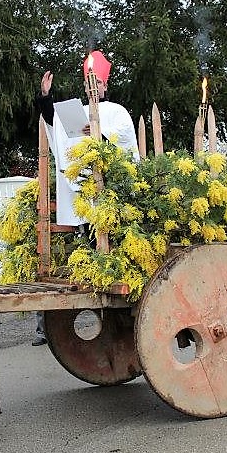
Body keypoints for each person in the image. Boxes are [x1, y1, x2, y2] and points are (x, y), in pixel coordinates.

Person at [32, 49, 139, 346]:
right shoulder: (75, 108)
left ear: (105, 85)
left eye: (97, 82)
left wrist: (99, 135)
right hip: (85, 192)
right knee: (91, 240)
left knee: (113, 241)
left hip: (112, 190)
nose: (93, 87)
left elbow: (125, 143)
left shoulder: (117, 111)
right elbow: (57, 130)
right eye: (88, 81)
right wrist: (45, 100)